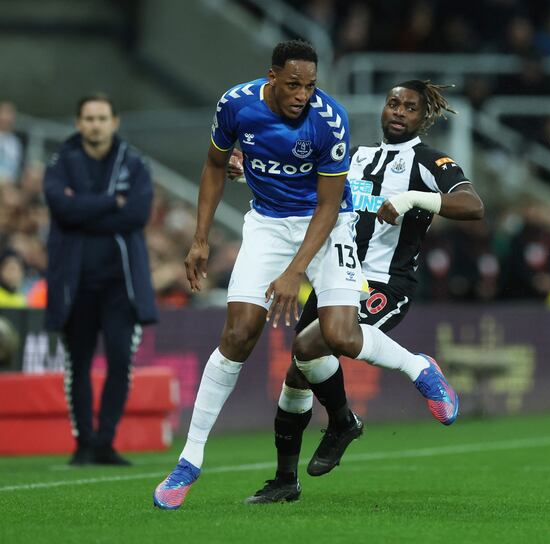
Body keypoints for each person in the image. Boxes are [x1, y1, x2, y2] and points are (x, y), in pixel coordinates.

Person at [153, 41, 460, 510]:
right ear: (271, 77)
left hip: (325, 228)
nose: (303, 95)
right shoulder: (235, 105)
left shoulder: (330, 120)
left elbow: (330, 204)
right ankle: (191, 460)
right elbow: (217, 164)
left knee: (336, 335)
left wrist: (294, 274)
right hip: (267, 226)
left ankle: (419, 369)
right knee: (239, 336)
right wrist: (200, 238)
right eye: (293, 85)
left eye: (311, 86)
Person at [235, 79, 484, 504]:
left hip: (386, 281)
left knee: (316, 342)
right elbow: (307, 194)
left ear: (423, 117)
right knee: (298, 370)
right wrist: (249, 172)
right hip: (335, 273)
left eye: (409, 107)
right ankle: (288, 476)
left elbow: (472, 204)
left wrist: (411, 199)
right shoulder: (355, 156)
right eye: (393, 104)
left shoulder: (428, 161)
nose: (399, 112)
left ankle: (412, 373)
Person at [43, 93, 157, 466]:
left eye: (101, 117)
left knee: (121, 360)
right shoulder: (61, 162)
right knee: (77, 364)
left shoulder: (134, 163)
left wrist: (83, 208)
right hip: (74, 284)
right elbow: (61, 207)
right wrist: (111, 202)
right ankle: (83, 443)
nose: (95, 124)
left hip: (120, 286)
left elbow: (137, 214)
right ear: (78, 123)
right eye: (89, 118)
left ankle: (105, 441)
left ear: (114, 121)